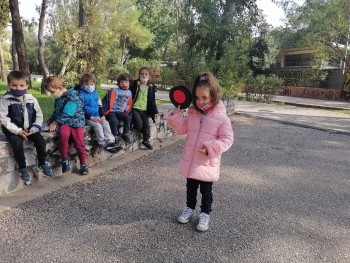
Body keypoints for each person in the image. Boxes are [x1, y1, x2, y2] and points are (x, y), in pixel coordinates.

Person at [165, 72, 234, 231]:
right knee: (190, 188)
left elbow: (227, 139)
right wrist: (176, 116)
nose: (200, 101)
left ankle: (205, 213)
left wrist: (211, 147)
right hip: (191, 161)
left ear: (214, 96)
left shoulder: (222, 118)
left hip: (207, 163)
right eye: (197, 98)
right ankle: (189, 208)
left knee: (206, 191)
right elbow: (182, 129)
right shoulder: (193, 113)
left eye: (204, 97)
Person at [0, 71, 53, 185]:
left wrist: (34, 128)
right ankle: (22, 168)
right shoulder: (5, 100)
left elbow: (39, 115)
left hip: (29, 128)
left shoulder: (32, 99)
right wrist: (17, 131)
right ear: (9, 85)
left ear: (27, 85)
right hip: (12, 130)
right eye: (14, 85)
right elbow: (3, 118)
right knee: (17, 143)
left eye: (21, 85)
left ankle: (42, 163)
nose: (18, 88)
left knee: (40, 140)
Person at [45, 76, 89, 175]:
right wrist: (49, 122)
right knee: (63, 135)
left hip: (76, 123)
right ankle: (65, 159)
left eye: (52, 91)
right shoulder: (59, 97)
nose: (52, 94)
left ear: (60, 88)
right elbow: (57, 112)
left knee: (79, 143)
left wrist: (55, 123)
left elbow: (68, 112)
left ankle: (83, 164)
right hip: (65, 123)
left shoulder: (73, 95)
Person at [77, 74, 121, 153]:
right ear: (82, 85)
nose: (89, 86)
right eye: (86, 84)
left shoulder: (96, 94)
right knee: (98, 126)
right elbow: (80, 109)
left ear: (94, 84)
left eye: (91, 84)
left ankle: (111, 142)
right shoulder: (80, 95)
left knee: (106, 124)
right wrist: (91, 117)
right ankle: (103, 143)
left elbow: (100, 106)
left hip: (97, 116)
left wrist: (103, 116)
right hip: (86, 118)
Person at [130, 67, 158, 150]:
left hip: (144, 110)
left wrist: (155, 112)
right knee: (139, 124)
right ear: (139, 75)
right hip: (135, 108)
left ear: (149, 76)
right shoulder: (135, 84)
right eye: (142, 74)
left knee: (146, 126)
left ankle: (146, 141)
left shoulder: (151, 87)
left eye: (146, 74)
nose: (144, 76)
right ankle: (143, 133)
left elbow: (152, 101)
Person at [102, 73, 133, 145]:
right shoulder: (114, 90)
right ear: (119, 83)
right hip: (111, 111)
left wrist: (126, 113)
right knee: (114, 121)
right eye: (122, 82)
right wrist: (103, 114)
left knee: (128, 118)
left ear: (129, 83)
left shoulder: (129, 92)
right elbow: (106, 102)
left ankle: (125, 134)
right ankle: (115, 136)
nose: (124, 84)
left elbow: (129, 104)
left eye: (126, 82)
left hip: (119, 112)